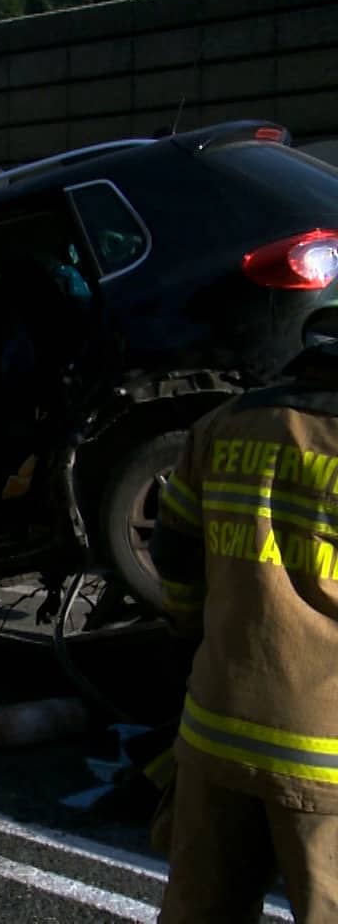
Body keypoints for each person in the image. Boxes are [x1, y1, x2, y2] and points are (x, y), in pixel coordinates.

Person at [152, 339, 338, 923]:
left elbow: (175, 555)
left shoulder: (226, 423)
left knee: (200, 911)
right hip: (327, 759)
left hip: (216, 728)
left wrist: (195, 630)